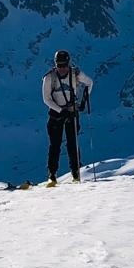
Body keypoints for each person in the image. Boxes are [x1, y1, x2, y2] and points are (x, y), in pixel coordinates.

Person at [41, 49, 93, 186]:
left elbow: (89, 83)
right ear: (55, 64)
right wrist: (59, 110)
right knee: (55, 145)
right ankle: (52, 175)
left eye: (64, 65)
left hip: (71, 113)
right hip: (56, 115)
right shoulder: (49, 77)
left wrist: (83, 102)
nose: (62, 68)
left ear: (68, 63)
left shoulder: (75, 73)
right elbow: (46, 99)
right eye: (59, 65)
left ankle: (75, 173)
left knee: (73, 144)